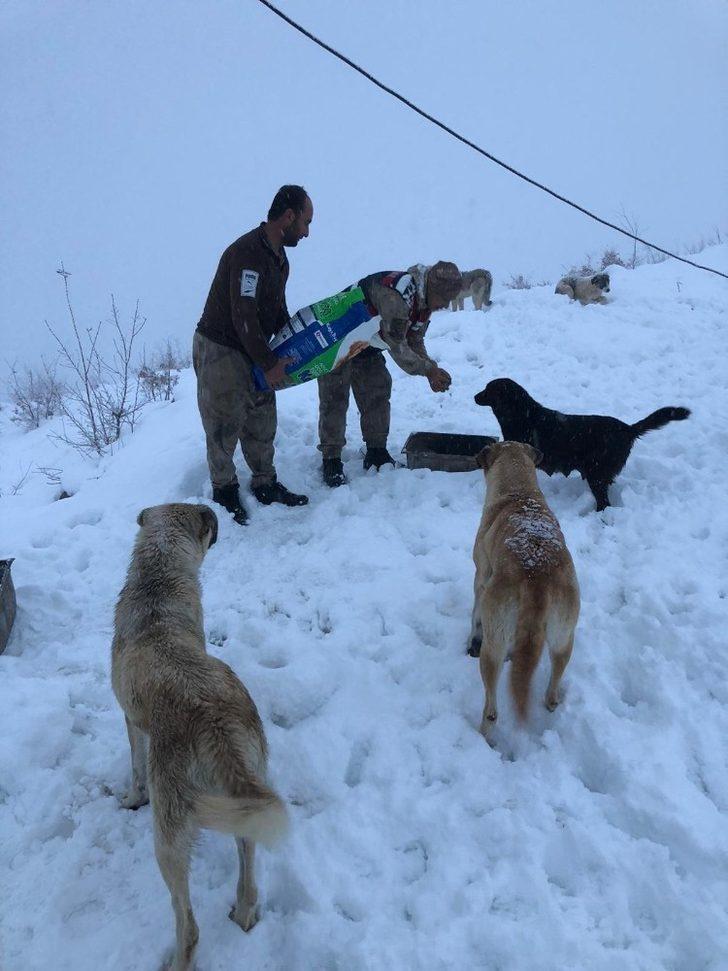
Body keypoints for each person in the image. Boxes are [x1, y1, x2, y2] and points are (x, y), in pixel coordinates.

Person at [193, 185, 313, 525]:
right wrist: (269, 363)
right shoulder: (247, 253)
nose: (307, 232)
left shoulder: (280, 258)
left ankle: (265, 483)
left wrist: (297, 342)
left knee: (262, 417)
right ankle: (225, 493)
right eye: (305, 222)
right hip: (222, 347)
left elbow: (275, 310)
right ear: (288, 216)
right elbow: (242, 313)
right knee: (223, 422)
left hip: (254, 346)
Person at [317, 261, 462, 487]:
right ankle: (331, 459)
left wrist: (431, 368)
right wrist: (428, 370)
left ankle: (376, 451)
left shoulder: (423, 303)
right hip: (336, 337)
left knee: (377, 389)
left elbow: (414, 339)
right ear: (433, 289)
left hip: (366, 344)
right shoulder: (397, 297)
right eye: (445, 299)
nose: (445, 305)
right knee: (335, 398)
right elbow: (398, 346)